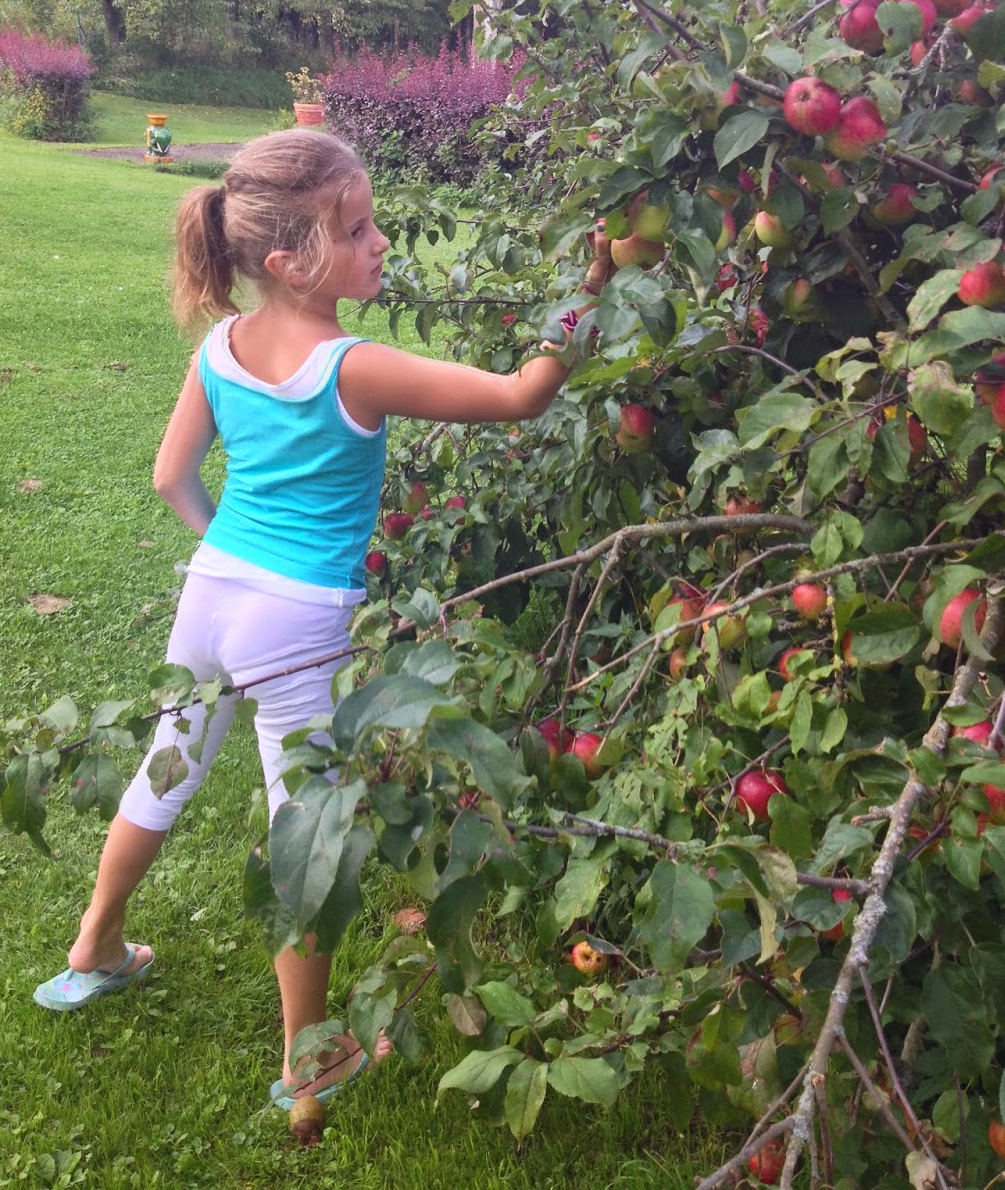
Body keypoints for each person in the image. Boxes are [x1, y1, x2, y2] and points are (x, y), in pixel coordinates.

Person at [33, 129, 611, 1107]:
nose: (380, 240)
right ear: (286, 260)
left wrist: (234, 553)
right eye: (358, 228)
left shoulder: (220, 348)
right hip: (297, 625)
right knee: (305, 831)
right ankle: (309, 1062)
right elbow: (521, 394)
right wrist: (592, 285)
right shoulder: (354, 366)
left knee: (166, 769)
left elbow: (171, 477)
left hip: (211, 598)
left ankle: (94, 945)